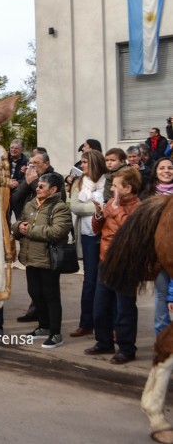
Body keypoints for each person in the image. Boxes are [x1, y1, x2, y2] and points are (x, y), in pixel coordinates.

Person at [85, 167, 143, 364]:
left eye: (116, 186)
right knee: (100, 307)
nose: (111, 189)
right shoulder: (111, 202)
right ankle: (104, 342)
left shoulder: (139, 208)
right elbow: (97, 230)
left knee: (124, 309)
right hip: (105, 260)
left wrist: (117, 210)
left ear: (128, 188)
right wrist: (98, 215)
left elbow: (130, 232)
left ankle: (127, 349)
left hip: (125, 264)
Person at [11, 172, 73, 349]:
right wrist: (18, 227)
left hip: (48, 259)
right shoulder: (31, 204)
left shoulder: (60, 208)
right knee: (35, 293)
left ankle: (55, 333)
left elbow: (56, 232)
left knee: (51, 297)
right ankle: (44, 327)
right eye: (37, 185)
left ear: (53, 190)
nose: (37, 188)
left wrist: (29, 230)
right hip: (30, 258)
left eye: (41, 186)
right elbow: (18, 223)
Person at [67, 149, 106, 338]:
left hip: (106, 235)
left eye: (84, 162)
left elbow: (112, 205)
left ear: (94, 163)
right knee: (90, 280)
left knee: (105, 281)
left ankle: (106, 325)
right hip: (88, 235)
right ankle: (86, 323)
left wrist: (99, 208)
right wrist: (99, 208)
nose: (81, 165)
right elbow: (75, 206)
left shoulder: (107, 180)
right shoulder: (78, 182)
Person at [143, 157, 173, 335]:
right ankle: (161, 335)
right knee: (161, 295)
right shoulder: (148, 196)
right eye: (162, 168)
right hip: (158, 254)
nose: (166, 171)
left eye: (170, 168)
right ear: (155, 171)